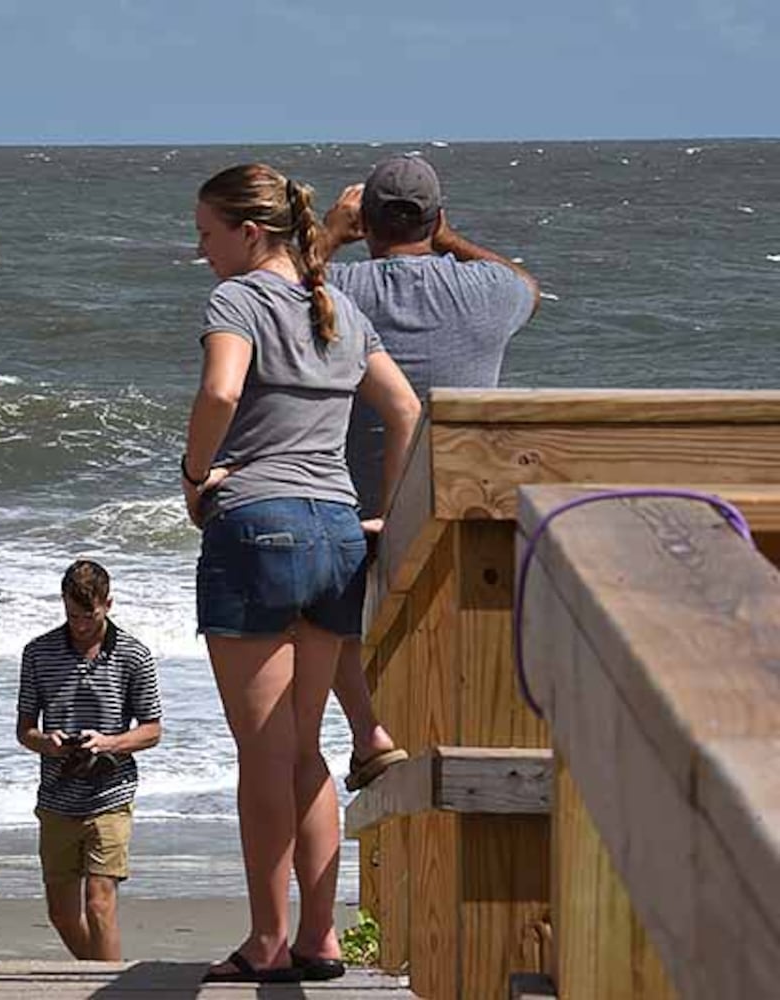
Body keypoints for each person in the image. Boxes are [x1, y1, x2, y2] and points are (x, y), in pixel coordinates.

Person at [184, 163, 420, 983]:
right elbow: (406, 411)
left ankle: (267, 942)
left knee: (263, 754)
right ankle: (320, 938)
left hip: (256, 525)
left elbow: (220, 390)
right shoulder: (342, 310)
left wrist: (193, 473)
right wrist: (384, 509)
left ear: (251, 234)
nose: (202, 250)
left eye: (208, 235)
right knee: (307, 749)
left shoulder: (238, 300)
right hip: (335, 531)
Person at [318, 155, 541, 792]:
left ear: (368, 222)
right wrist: (448, 240)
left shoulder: (337, 291)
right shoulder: (489, 294)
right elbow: (523, 280)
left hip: (361, 516)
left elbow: (276, 286)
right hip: (464, 515)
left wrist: (332, 232)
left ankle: (372, 734)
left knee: (326, 621)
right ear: (436, 218)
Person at [16, 560, 162, 962]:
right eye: (72, 615)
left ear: (108, 604)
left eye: (89, 615)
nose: (80, 624)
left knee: (99, 905)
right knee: (62, 914)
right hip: (57, 796)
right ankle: (98, 974)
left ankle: (106, 986)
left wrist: (109, 743)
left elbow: (152, 730)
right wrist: (50, 742)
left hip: (111, 795)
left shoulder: (134, 655)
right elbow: (24, 730)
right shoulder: (38, 653)